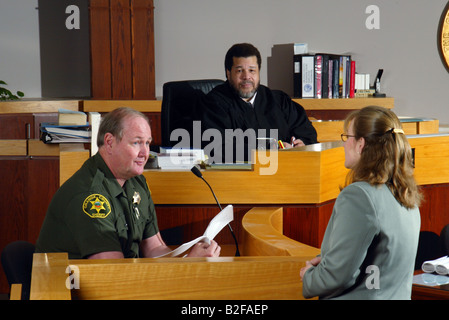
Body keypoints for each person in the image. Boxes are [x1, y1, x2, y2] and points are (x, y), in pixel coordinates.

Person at [36, 107, 220, 259]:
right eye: (137, 143)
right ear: (109, 142)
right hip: (69, 290)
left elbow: (154, 249)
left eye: (147, 143)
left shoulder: (136, 182)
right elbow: (112, 271)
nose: (145, 153)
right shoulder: (91, 196)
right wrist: (187, 265)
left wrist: (189, 258)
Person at [300, 106, 421, 299]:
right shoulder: (406, 195)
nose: (344, 145)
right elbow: (379, 263)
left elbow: (337, 277)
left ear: (360, 144)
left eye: (347, 137)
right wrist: (332, 260)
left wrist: (310, 277)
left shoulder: (358, 196)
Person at [201, 43, 317, 162]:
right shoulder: (214, 104)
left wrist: (302, 145)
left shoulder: (279, 100)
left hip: (288, 170)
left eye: (252, 70)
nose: (247, 76)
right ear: (228, 73)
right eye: (240, 71)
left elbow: (307, 133)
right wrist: (269, 150)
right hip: (241, 176)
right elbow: (217, 149)